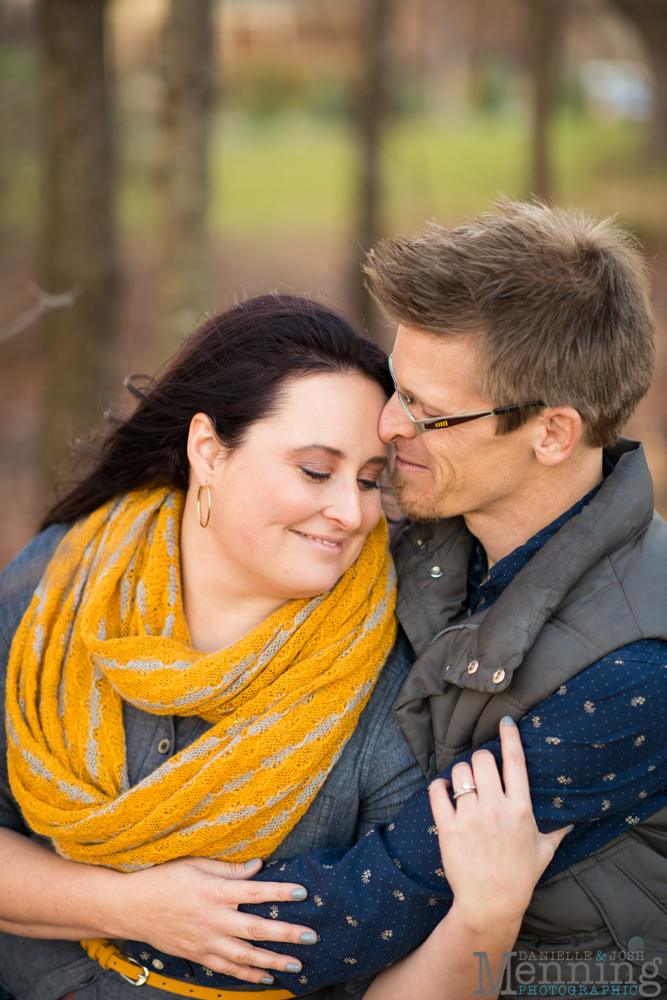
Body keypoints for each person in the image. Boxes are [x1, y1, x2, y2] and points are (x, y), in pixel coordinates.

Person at [0, 293, 564, 1000]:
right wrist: (127, 907)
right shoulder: (60, 584)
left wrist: (484, 921)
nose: (351, 512)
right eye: (313, 470)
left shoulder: (388, 681)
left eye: (367, 479)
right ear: (208, 449)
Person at [204, 198, 666, 996]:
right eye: (396, 387)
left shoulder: (630, 673)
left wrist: (118, 921)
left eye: (428, 411)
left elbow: (367, 909)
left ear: (552, 434)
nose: (386, 423)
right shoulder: (426, 518)